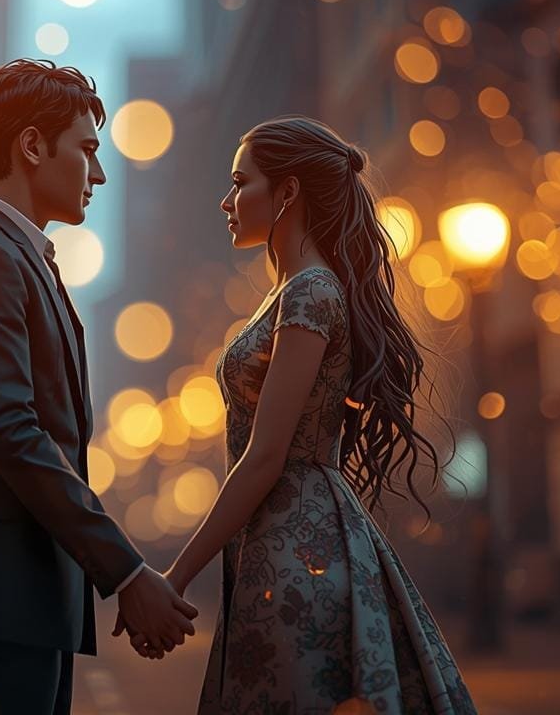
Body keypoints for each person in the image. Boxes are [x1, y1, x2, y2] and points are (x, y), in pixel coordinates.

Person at [125, 116, 478, 713]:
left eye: (241, 183)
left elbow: (266, 456)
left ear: (287, 192)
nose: (226, 201)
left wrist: (173, 578)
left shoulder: (311, 291)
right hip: (283, 539)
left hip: (299, 551)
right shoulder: (291, 291)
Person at [0, 59, 198, 715]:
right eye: (87, 150)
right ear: (32, 146)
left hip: (18, 592)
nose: (99, 173)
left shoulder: (12, 255)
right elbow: (14, 434)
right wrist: (125, 572)